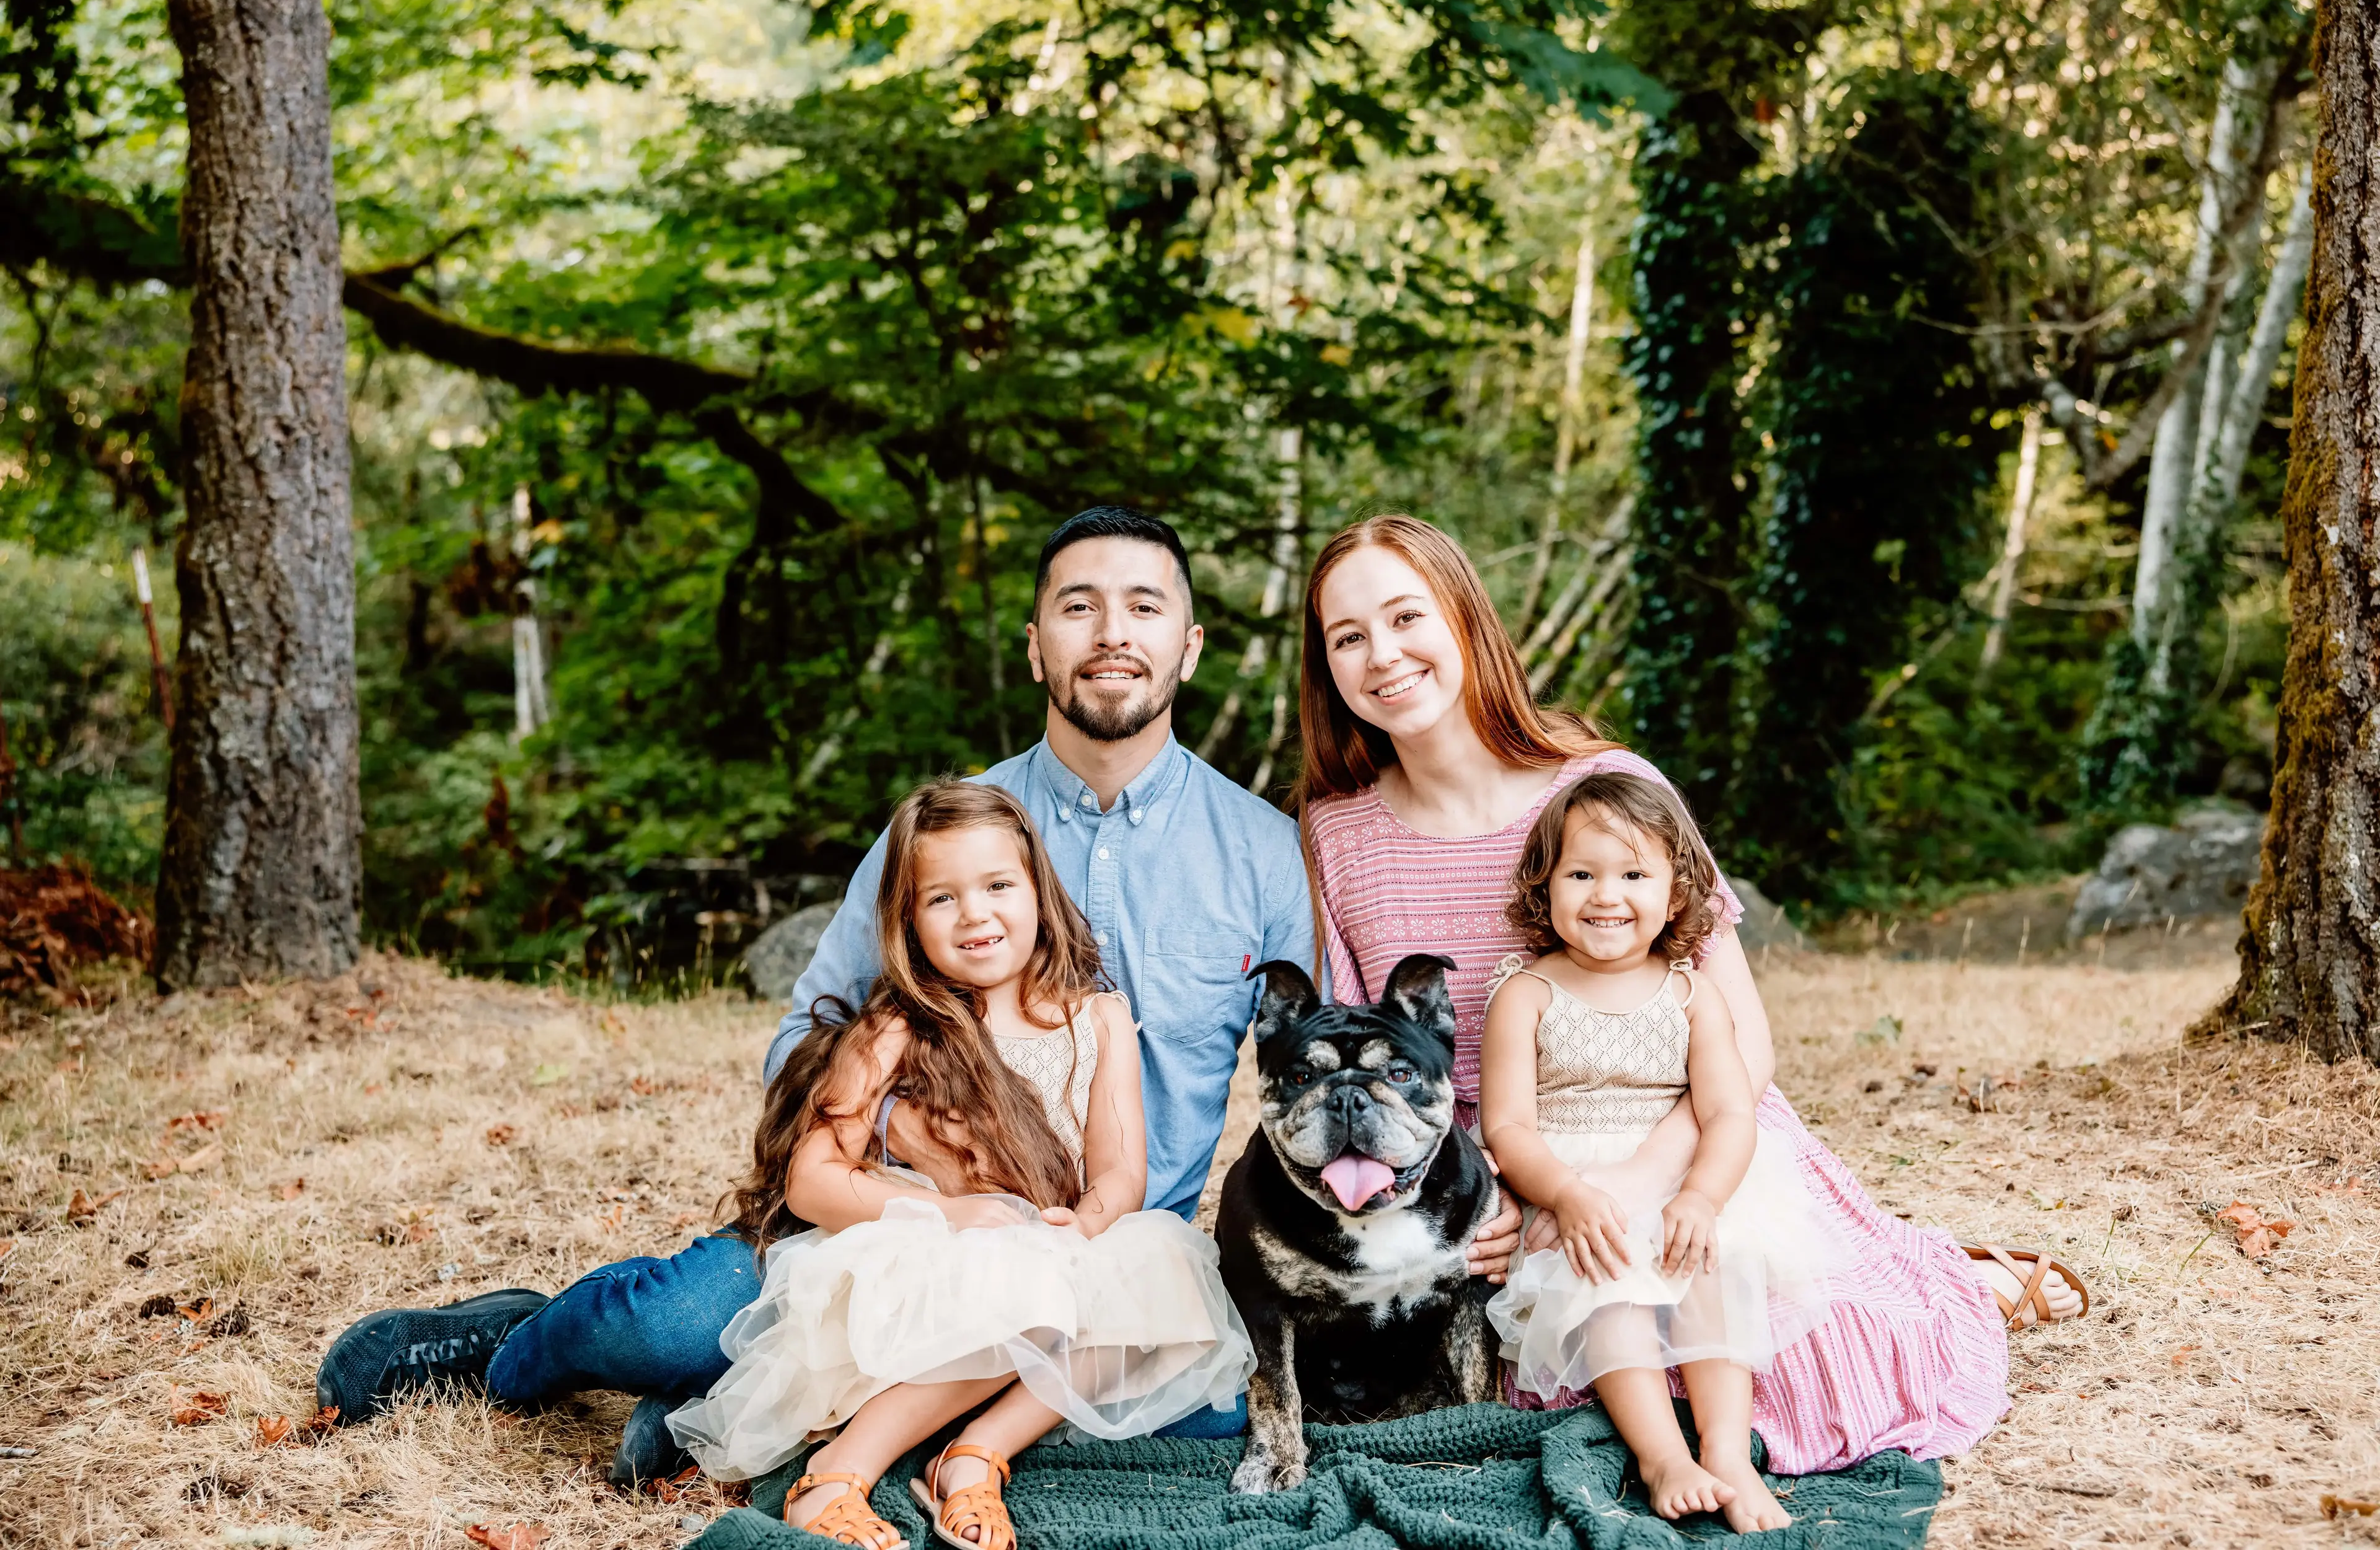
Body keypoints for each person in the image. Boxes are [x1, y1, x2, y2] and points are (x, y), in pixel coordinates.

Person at [315, 506, 1524, 1477]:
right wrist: (921, 1165)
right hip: (892, 1226)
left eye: (1146, 605)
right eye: (1078, 606)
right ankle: (520, 1338)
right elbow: (811, 1027)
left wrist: (1479, 1187)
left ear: (1190, 646)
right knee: (666, 1323)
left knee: (1196, 1416)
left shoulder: (1269, 849)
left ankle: (738, 1416)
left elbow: (1348, 1057)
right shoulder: (948, 837)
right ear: (1036, 644)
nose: (1113, 631)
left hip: (1110, 1251)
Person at [1297, 513, 2065, 1477]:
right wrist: (1486, 1193)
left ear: (1465, 619)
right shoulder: (1336, 834)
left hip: (1691, 1124)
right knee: (1542, 1361)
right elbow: (1371, 1077)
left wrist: (1638, 1180)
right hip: (1498, 1167)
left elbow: (1745, 1041)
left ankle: (1957, 1278)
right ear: (1325, 666)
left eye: (1407, 617)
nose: (1384, 655)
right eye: (1348, 636)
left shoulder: (1606, 788)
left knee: (1811, 1354)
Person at [671, 780, 1251, 1548]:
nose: (975, 913)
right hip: (927, 1253)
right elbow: (811, 1179)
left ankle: (977, 1455)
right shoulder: (898, 1027)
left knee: (1165, 1266)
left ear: (1039, 892)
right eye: (941, 897)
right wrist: (956, 1214)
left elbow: (1120, 1172)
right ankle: (837, 1474)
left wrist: (1086, 1223)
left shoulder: (1098, 1018)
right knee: (1027, 1281)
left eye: (998, 885)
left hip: (1049, 1240)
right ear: (908, 921)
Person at [1481, 771, 1849, 1531]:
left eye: (1634, 874)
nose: (1606, 894)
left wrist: (1703, 1196)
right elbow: (1509, 1127)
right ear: (1542, 886)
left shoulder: (1689, 993)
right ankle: (1660, 1455)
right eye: (1581, 873)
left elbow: (1728, 1109)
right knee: (1606, 1281)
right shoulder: (1525, 993)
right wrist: (1565, 1193)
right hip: (1579, 1187)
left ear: (1677, 893)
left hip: (1682, 1177)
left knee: (1715, 1265)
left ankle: (1726, 1450)